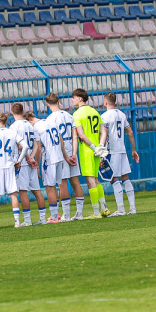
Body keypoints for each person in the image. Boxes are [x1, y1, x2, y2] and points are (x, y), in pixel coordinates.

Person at [44, 92, 83, 221]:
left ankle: (66, 215)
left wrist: (66, 157)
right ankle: (79, 213)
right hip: (71, 151)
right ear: (58, 102)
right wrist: (74, 154)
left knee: (63, 183)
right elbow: (75, 136)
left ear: (47, 104)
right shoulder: (68, 115)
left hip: (61, 154)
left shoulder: (50, 119)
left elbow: (59, 140)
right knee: (76, 182)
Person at [71, 88, 109, 218]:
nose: (72, 100)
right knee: (96, 179)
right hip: (97, 151)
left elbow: (81, 135)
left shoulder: (77, 114)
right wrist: (100, 147)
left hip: (87, 150)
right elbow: (103, 132)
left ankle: (96, 212)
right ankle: (104, 208)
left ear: (80, 98)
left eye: (74, 98)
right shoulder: (95, 111)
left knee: (90, 180)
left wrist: (93, 147)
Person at [101, 93, 140, 215]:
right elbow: (130, 132)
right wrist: (134, 150)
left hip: (111, 151)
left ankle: (121, 209)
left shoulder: (104, 116)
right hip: (122, 150)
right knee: (125, 178)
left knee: (113, 178)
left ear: (106, 102)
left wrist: (102, 153)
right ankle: (132, 208)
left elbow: (104, 134)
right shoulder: (122, 114)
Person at [9, 103, 45, 226]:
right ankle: (43, 218)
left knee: (23, 191)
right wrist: (33, 158)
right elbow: (36, 144)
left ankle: (28, 220)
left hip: (22, 162)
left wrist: (28, 158)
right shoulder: (30, 125)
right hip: (32, 163)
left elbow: (20, 146)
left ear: (12, 112)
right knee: (37, 191)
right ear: (23, 111)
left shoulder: (14, 127)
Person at [36, 108, 66, 223]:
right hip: (59, 157)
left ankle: (54, 217)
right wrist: (64, 156)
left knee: (49, 187)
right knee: (54, 187)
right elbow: (62, 141)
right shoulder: (50, 123)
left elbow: (39, 149)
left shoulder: (36, 127)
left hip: (49, 159)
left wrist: (37, 165)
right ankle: (56, 214)